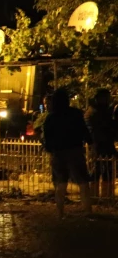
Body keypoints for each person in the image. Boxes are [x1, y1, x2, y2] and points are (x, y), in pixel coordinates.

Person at [41, 87, 93, 219]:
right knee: (82, 181)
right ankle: (87, 210)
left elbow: (47, 137)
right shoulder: (75, 114)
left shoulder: (50, 118)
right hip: (74, 150)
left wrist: (50, 151)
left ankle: (60, 212)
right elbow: (83, 129)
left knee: (60, 183)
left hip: (58, 152)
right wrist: (90, 143)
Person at [85, 88, 116, 199]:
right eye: (106, 98)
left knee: (107, 171)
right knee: (96, 171)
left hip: (104, 144)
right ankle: (97, 196)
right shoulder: (94, 112)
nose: (108, 100)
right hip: (98, 145)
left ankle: (106, 195)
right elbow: (96, 129)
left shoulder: (103, 111)